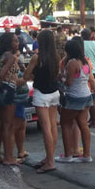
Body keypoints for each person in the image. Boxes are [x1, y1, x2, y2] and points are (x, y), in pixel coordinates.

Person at [24, 29, 60, 173]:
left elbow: (26, 75)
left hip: (41, 93)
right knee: (53, 126)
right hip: (54, 92)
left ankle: (50, 161)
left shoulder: (36, 58)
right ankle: (49, 157)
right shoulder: (56, 56)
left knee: (46, 128)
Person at [57, 39, 95, 163]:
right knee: (83, 124)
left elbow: (69, 82)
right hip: (86, 95)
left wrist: (61, 78)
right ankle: (87, 155)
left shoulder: (72, 63)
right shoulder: (85, 62)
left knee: (65, 124)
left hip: (74, 96)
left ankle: (68, 155)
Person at [0, 32, 25, 165]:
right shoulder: (10, 56)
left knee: (0, 124)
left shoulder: (1, 56)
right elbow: (2, 74)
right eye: (15, 41)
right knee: (8, 125)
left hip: (0, 91)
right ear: (9, 43)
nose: (17, 43)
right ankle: (8, 157)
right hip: (8, 90)